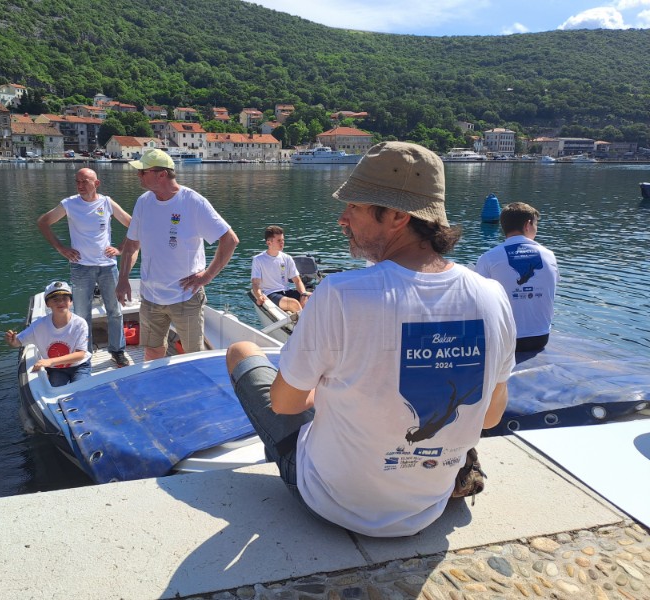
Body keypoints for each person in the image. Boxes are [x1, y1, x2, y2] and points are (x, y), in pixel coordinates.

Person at [225, 141, 517, 538]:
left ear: (396, 215)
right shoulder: (492, 296)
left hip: (332, 499)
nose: (343, 219)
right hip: (428, 502)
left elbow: (285, 403)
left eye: (355, 206)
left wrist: (325, 394)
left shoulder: (342, 293)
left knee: (242, 351)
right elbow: (491, 416)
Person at [116, 149, 239, 360]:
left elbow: (230, 240)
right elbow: (131, 245)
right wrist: (123, 278)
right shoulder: (143, 202)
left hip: (186, 295)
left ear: (161, 174)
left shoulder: (192, 202)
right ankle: (156, 389)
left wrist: (208, 276)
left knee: (193, 354)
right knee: (152, 350)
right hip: (150, 296)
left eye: (143, 171)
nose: (138, 175)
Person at [37, 168, 134, 367]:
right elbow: (43, 222)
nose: (80, 186)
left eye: (85, 181)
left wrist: (121, 248)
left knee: (115, 311)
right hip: (81, 267)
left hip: (108, 267)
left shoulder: (106, 202)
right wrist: (61, 248)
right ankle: (85, 353)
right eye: (77, 182)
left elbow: (132, 223)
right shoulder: (69, 204)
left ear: (96, 183)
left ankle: (117, 350)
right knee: (82, 314)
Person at [475, 202, 559, 352]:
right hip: (540, 338)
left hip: (504, 341)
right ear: (528, 225)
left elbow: (477, 300)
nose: (536, 229)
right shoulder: (549, 255)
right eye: (535, 224)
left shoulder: (488, 258)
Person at [4, 281, 92, 387]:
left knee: (82, 389)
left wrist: (49, 361)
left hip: (80, 366)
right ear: (47, 304)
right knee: (55, 388)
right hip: (56, 369)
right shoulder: (38, 326)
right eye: (55, 300)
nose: (60, 303)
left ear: (71, 301)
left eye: (64, 298)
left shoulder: (80, 323)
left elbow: (80, 354)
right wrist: (12, 341)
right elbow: (18, 342)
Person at [251, 225, 310, 313]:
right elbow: (255, 283)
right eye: (279, 240)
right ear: (269, 243)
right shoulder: (258, 259)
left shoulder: (287, 258)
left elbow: (297, 281)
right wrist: (259, 296)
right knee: (293, 303)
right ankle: (304, 325)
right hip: (270, 294)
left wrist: (303, 294)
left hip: (286, 292)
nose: (282, 243)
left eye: (283, 240)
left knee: (313, 297)